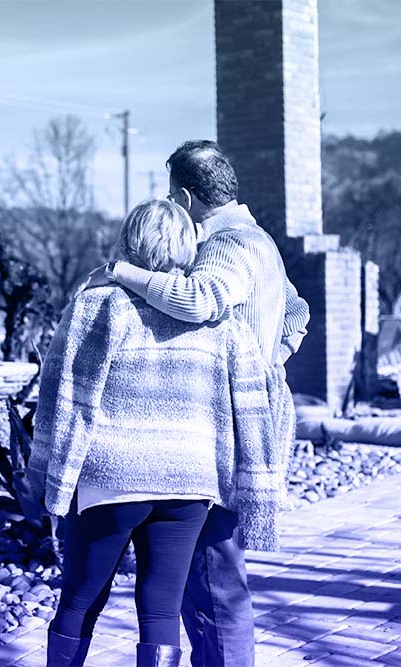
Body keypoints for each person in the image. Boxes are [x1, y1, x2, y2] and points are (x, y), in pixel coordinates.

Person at [29, 199, 289, 667]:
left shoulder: (97, 303)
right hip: (188, 482)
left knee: (79, 601)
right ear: (190, 245)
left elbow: (63, 393)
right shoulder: (218, 319)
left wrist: (48, 475)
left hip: (111, 478)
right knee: (160, 611)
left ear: (129, 240)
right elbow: (247, 402)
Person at [83, 140, 308, 667]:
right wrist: (272, 358)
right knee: (213, 571)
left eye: (169, 196)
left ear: (184, 196)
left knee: (211, 576)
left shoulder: (226, 244)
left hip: (230, 422)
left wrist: (122, 273)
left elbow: (200, 301)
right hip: (251, 410)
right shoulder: (261, 240)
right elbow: (297, 310)